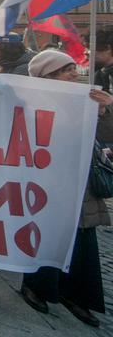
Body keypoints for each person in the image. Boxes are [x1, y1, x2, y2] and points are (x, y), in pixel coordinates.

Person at [18, 50, 111, 327]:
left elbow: (106, 135)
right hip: (45, 182)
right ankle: (36, 287)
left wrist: (105, 111)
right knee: (45, 236)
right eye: (66, 70)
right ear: (48, 76)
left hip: (80, 185)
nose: (74, 73)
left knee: (83, 241)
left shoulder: (88, 100)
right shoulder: (28, 101)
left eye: (72, 68)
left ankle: (77, 297)